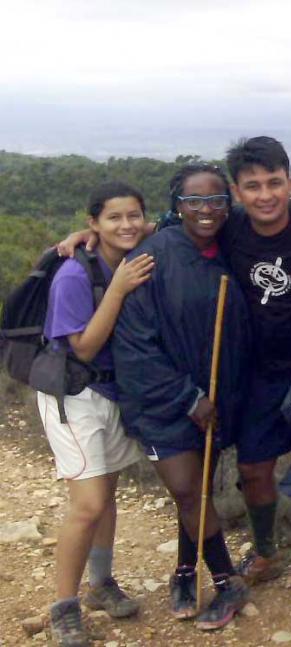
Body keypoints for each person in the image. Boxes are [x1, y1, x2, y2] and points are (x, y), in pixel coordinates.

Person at [55, 136, 291, 601]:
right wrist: (93, 235)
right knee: (254, 468)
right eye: (252, 186)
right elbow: (178, 220)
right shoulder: (228, 225)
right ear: (236, 192)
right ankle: (265, 549)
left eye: (274, 183)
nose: (265, 195)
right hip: (255, 371)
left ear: (289, 182)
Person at [113, 163, 254, 630]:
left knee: (197, 492)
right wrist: (188, 398)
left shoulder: (229, 247)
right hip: (164, 404)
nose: (206, 209)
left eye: (216, 199)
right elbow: (135, 346)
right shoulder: (152, 258)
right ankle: (228, 581)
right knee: (188, 489)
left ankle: (185, 569)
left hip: (215, 402)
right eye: (194, 201)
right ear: (177, 206)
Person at [37, 182, 154, 647]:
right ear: (94, 223)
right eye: (113, 218)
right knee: (87, 505)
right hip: (74, 395)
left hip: (112, 392)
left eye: (133, 216)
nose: (126, 225)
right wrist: (118, 289)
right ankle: (63, 607)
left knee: (106, 495)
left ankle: (101, 584)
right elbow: (83, 347)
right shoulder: (73, 275)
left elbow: (165, 225)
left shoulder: (132, 247)